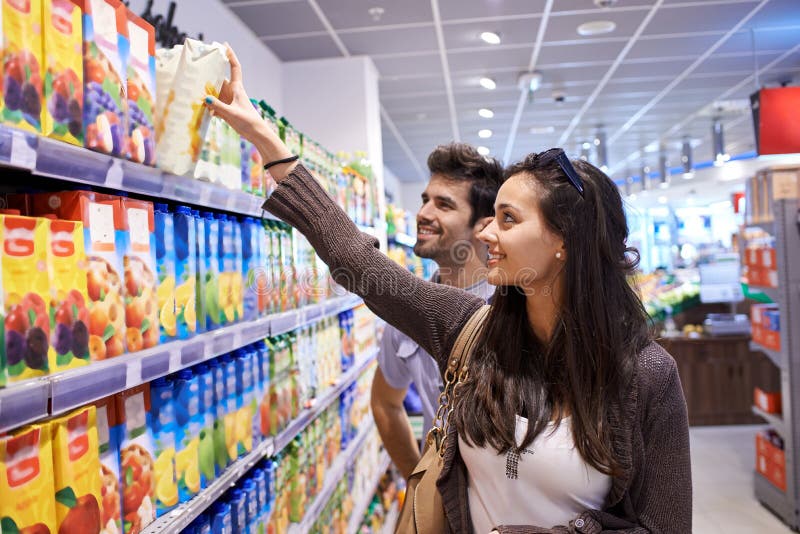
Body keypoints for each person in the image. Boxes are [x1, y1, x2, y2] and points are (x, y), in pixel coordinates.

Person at [207, 46, 691, 533]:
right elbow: (357, 261)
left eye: (507, 219)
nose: (485, 234)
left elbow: (665, 527)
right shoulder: (469, 328)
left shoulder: (646, 377)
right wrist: (266, 141)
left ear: (564, 239)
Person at [372, 143, 502, 480]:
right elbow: (385, 403)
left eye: (443, 204)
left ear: (483, 226)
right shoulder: (408, 311)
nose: (423, 213)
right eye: (425, 200)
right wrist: (419, 484)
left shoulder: (512, 310)